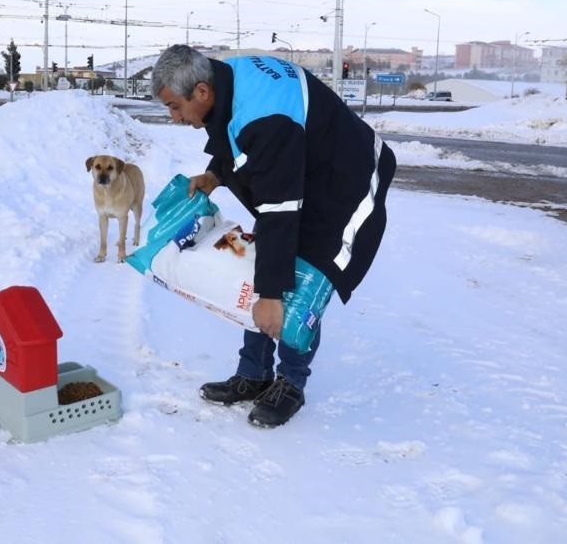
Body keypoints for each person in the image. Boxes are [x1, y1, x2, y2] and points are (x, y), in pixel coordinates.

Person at [151, 44, 396, 428]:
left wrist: (270, 296)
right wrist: (217, 173)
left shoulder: (266, 119)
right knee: (263, 265)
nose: (173, 117)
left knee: (300, 283)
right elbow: (236, 134)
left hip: (347, 183)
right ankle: (254, 374)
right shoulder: (222, 77)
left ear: (201, 92)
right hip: (305, 164)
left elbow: (280, 208)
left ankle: (291, 383)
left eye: (174, 107)